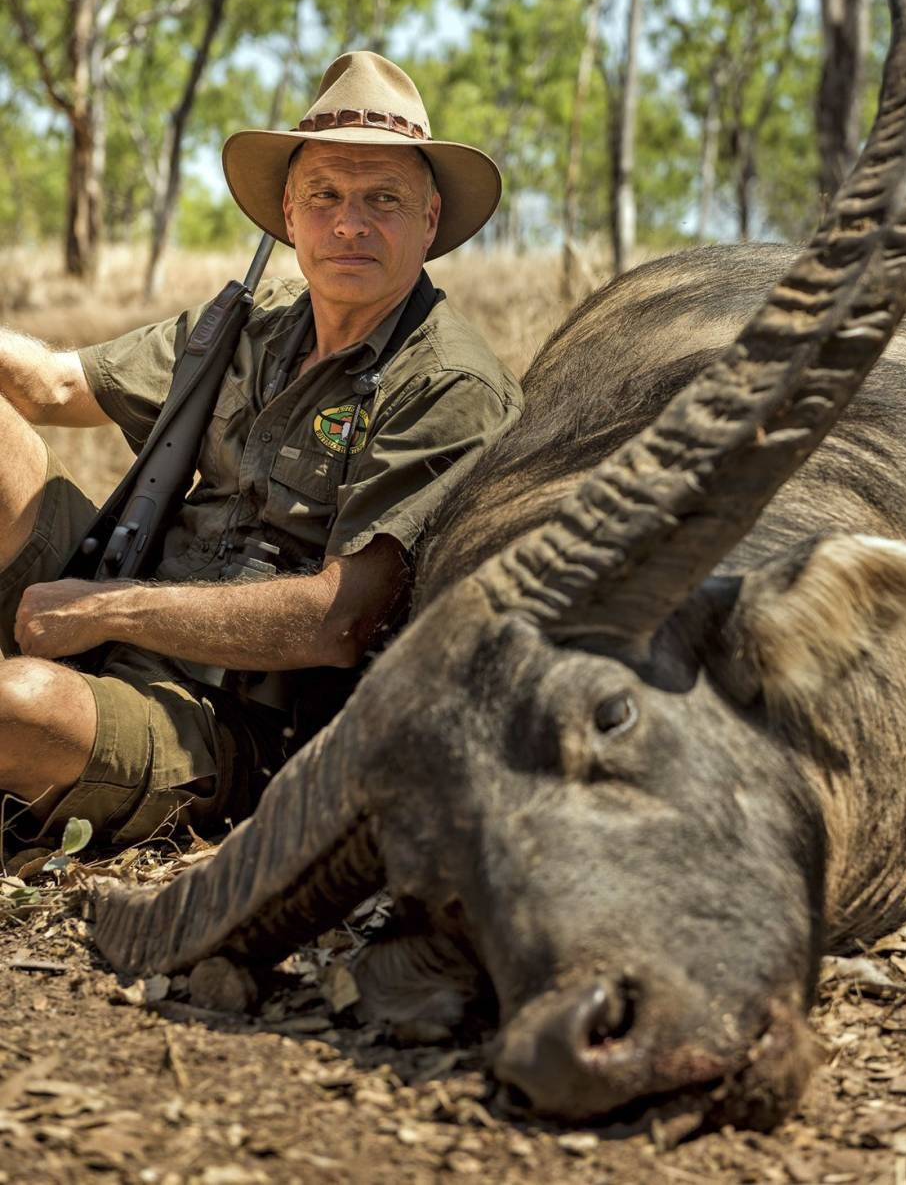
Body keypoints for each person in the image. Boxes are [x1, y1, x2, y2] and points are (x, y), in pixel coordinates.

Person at [0, 51, 522, 848]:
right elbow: (53, 389)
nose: (349, 222)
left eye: (383, 198)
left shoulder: (449, 385)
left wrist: (103, 612)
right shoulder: (251, 325)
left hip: (234, 721)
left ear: (429, 220)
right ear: (288, 211)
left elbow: (337, 621)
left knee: (19, 707)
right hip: (114, 590)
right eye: (326, 195)